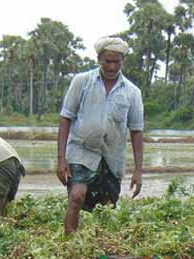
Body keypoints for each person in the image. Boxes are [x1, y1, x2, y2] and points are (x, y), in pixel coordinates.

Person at [57, 36, 145, 235]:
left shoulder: (132, 92)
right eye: (108, 61)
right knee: (77, 196)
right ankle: (69, 242)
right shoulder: (82, 82)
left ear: (122, 61)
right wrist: (61, 159)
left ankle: (102, 245)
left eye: (117, 62)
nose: (112, 66)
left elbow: (137, 131)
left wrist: (139, 171)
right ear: (99, 59)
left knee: (107, 207)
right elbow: (65, 119)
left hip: (112, 156)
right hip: (81, 150)